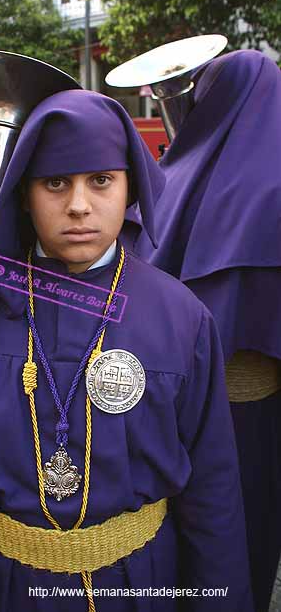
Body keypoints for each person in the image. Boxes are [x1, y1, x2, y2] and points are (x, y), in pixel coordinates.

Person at [0, 91, 252, 612]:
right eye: (55, 182)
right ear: (24, 193)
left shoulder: (181, 318)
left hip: (141, 584)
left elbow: (212, 490)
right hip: (3, 586)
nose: (79, 204)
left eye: (100, 180)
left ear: (128, 185)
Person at [135, 49, 281, 612]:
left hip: (173, 398)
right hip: (256, 406)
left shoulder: (171, 172)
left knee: (188, 521)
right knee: (251, 520)